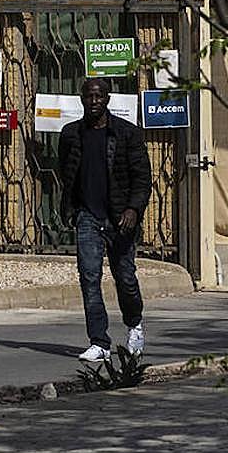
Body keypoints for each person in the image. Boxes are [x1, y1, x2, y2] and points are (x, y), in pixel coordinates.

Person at [58, 77, 153, 363]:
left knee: (125, 277)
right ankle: (99, 341)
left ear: (108, 99)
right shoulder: (71, 134)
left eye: (99, 96)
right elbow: (67, 171)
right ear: (82, 99)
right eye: (89, 96)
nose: (94, 101)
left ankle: (134, 324)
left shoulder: (127, 134)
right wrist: (73, 209)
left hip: (120, 218)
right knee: (89, 278)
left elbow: (142, 178)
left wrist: (133, 210)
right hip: (88, 217)